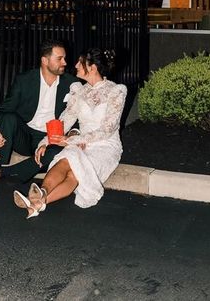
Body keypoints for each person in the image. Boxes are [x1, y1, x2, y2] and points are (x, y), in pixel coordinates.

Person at [13, 48, 126, 218]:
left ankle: (38, 203)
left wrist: (71, 141)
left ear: (92, 68)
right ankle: (41, 195)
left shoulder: (116, 91)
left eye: (80, 63)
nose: (75, 65)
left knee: (75, 173)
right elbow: (65, 119)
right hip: (80, 143)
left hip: (105, 146)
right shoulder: (79, 91)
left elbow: (107, 129)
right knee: (66, 159)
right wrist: (46, 141)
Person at [0, 39, 77, 207]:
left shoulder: (71, 84)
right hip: (25, 135)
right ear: (45, 60)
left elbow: (77, 116)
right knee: (8, 118)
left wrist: (72, 134)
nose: (65, 62)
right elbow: (5, 108)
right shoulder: (25, 80)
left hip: (50, 139)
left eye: (64, 58)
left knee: (59, 153)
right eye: (59, 58)